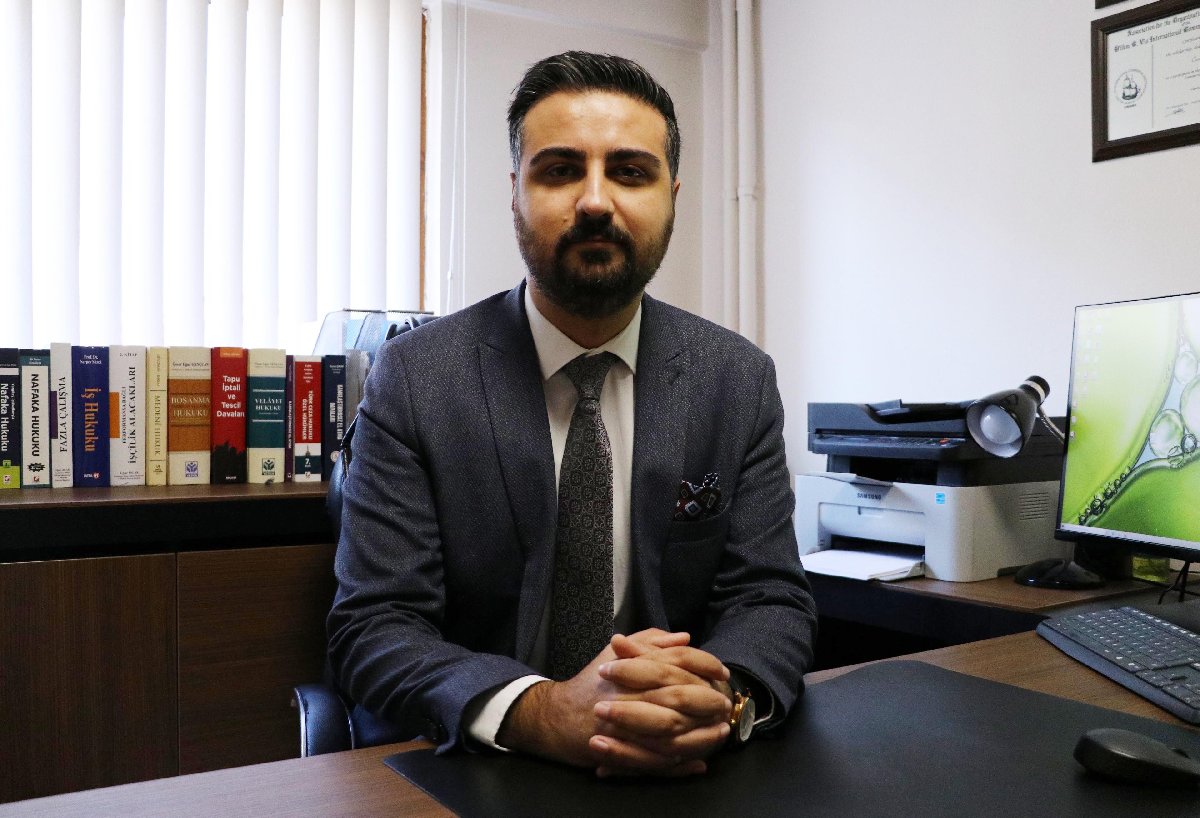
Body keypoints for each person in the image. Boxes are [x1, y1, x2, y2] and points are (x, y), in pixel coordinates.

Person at [327, 50, 816, 778]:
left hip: (679, 771)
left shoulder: (736, 379)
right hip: (481, 766)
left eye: (630, 172)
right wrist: (546, 712)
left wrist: (720, 696)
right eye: (559, 170)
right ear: (515, 193)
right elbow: (376, 626)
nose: (594, 201)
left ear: (672, 196)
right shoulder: (417, 377)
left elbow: (769, 597)